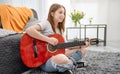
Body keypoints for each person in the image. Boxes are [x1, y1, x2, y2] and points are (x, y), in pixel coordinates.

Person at [25, 3, 89, 74]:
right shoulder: (46, 23)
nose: (63, 15)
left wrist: (81, 45)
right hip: (45, 61)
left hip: (58, 56)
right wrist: (48, 40)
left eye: (64, 13)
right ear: (52, 13)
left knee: (83, 50)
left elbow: (66, 46)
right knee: (62, 58)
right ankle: (72, 65)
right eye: (60, 12)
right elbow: (29, 30)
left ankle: (67, 66)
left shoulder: (60, 30)